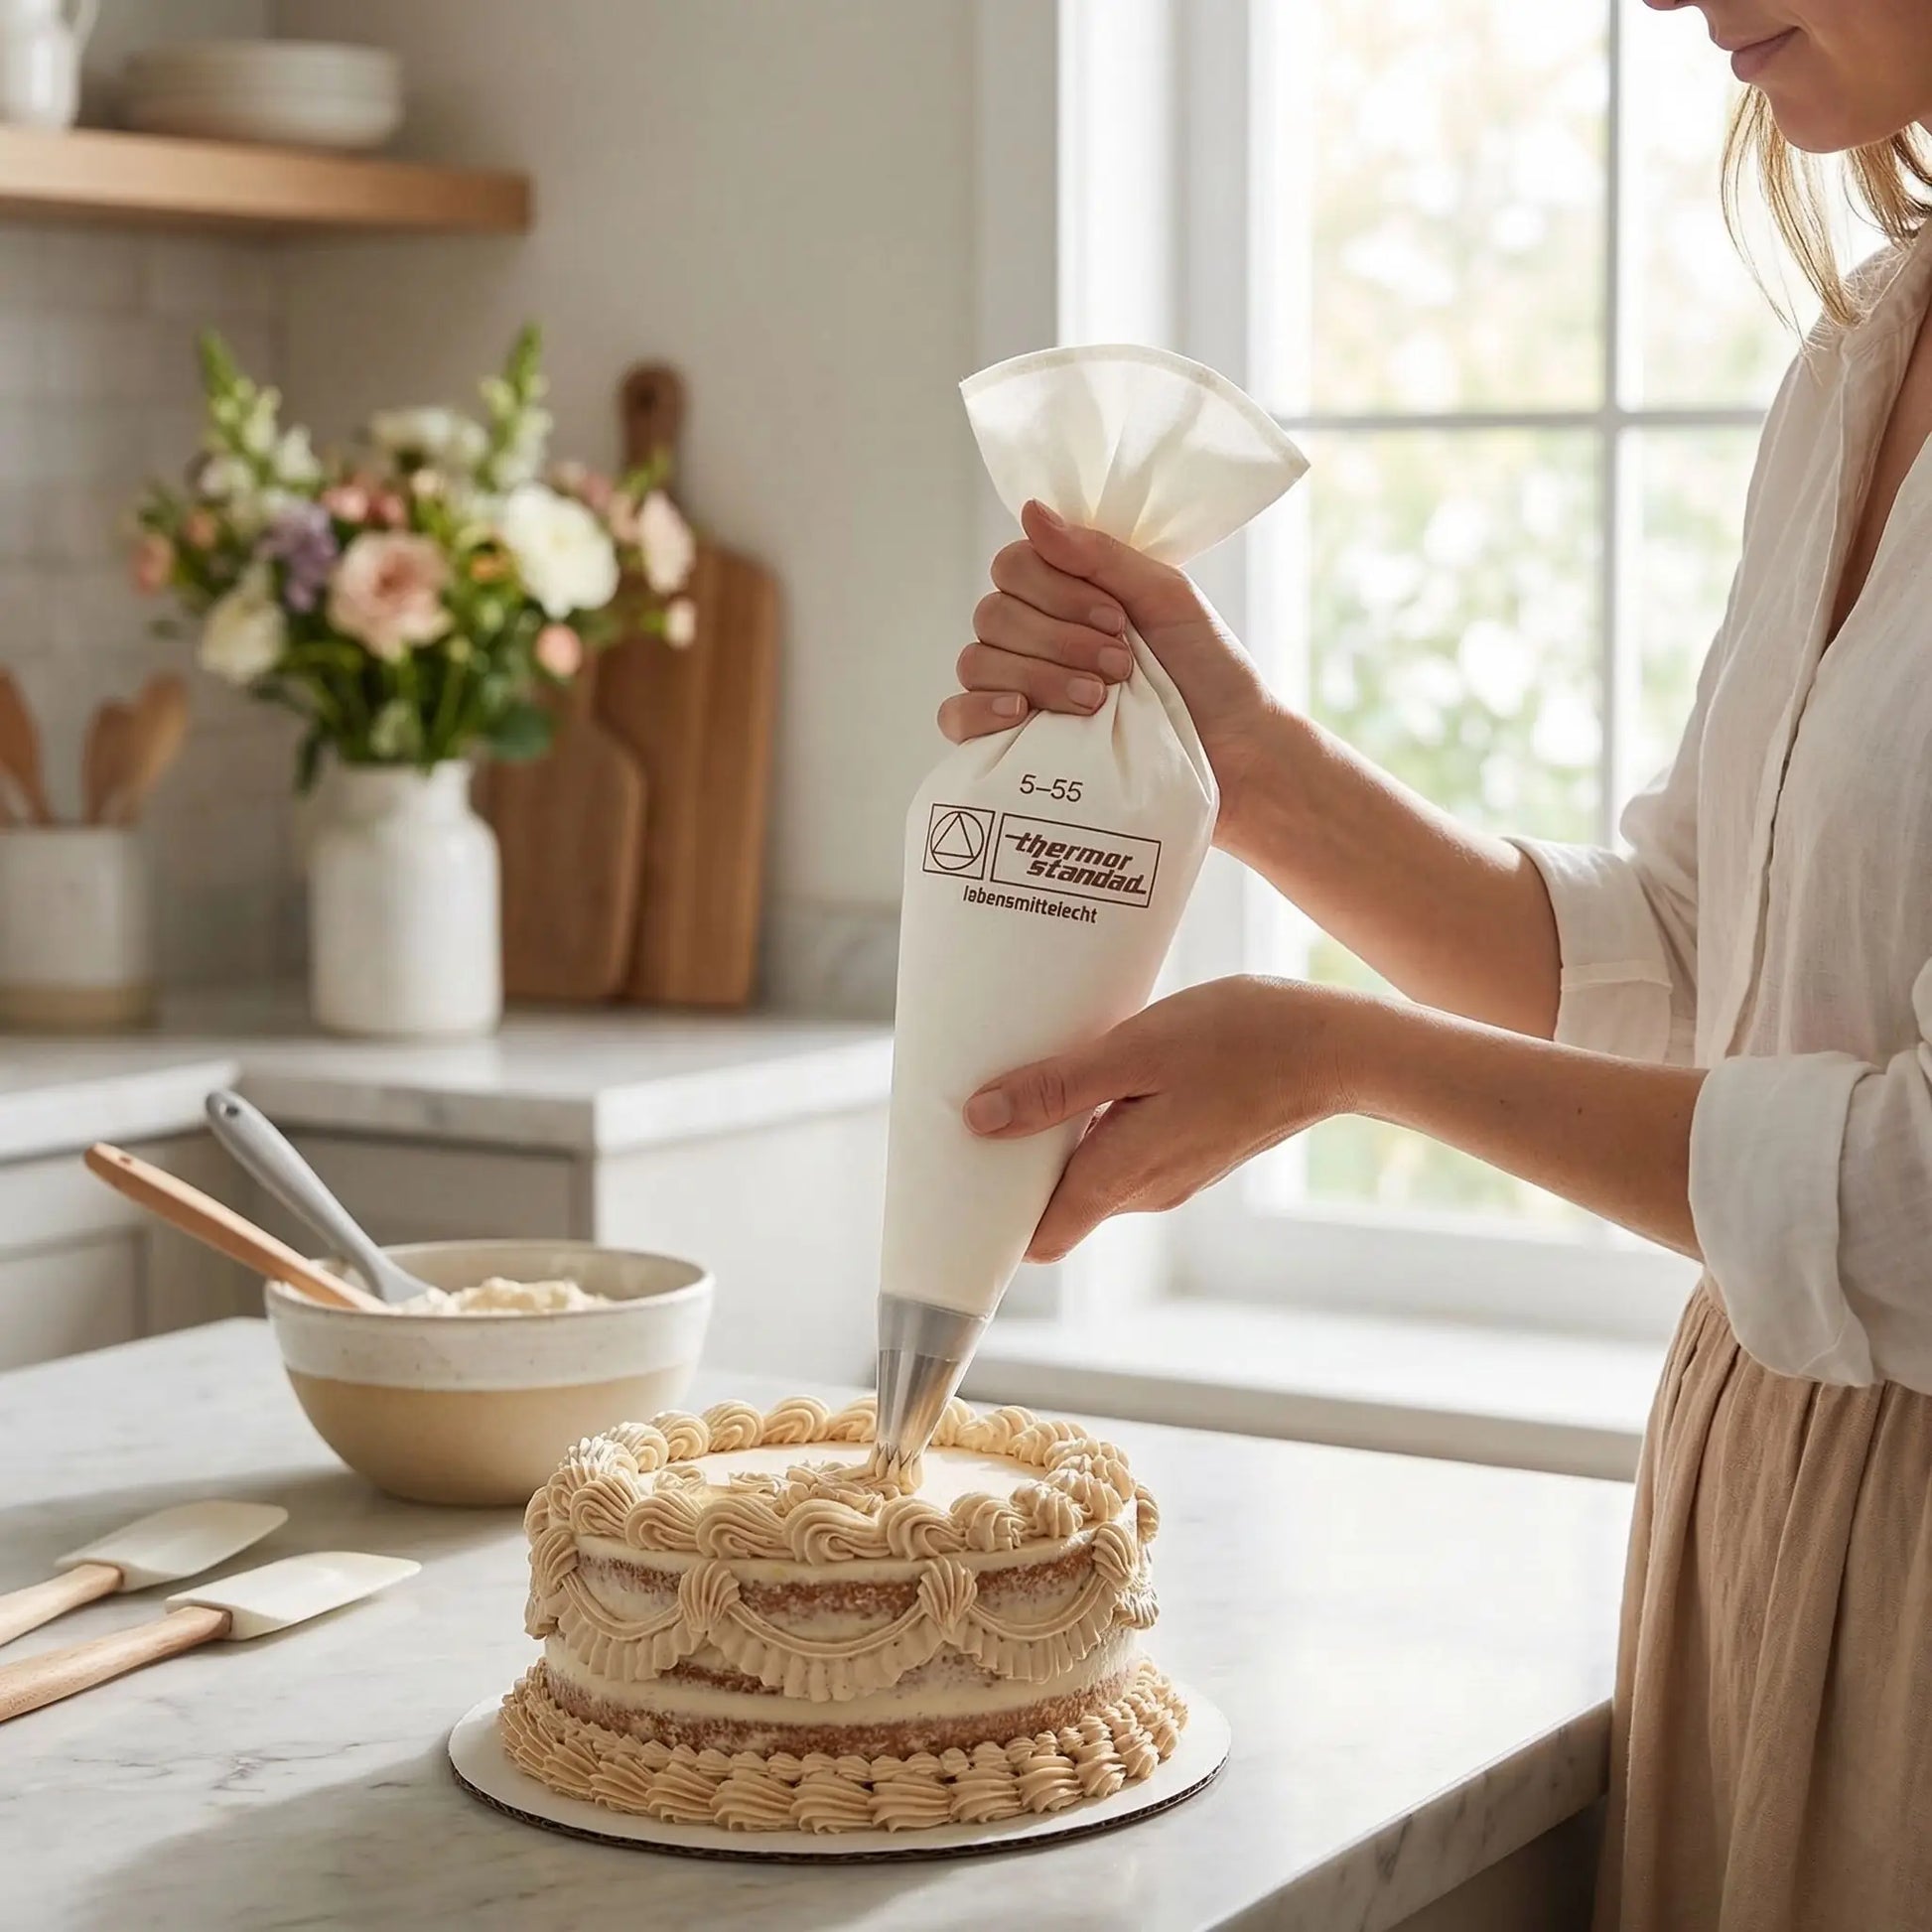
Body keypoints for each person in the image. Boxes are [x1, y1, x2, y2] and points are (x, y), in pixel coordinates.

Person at [942, 6, 1932, 1927]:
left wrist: (1342, 1060)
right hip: (1752, 1493)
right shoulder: (1864, 351)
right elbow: (1689, 950)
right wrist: (1242, 768)